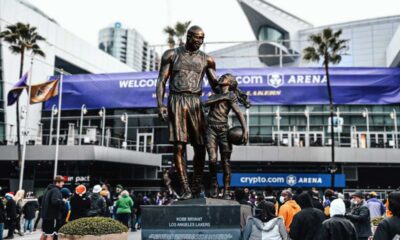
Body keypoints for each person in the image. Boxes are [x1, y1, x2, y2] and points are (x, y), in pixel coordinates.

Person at [156, 25, 250, 200]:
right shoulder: (171, 55)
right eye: (197, 38)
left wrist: (233, 91)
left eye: (202, 38)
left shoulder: (207, 60)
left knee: (200, 147)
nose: (200, 41)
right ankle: (185, 188)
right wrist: (160, 104)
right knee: (178, 146)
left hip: (195, 102)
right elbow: (162, 80)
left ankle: (196, 185)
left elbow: (216, 84)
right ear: (188, 37)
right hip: (177, 100)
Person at [204, 74, 248, 199]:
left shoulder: (231, 96)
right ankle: (214, 182)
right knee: (212, 159)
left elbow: (239, 113)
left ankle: (226, 190)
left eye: (226, 77)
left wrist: (245, 129)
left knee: (225, 162)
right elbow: (205, 103)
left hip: (224, 130)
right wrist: (223, 96)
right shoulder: (216, 95)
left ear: (230, 83)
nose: (222, 77)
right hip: (211, 129)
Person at [40, 175, 65, 240]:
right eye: (62, 182)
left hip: (45, 216)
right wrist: (63, 201)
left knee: (45, 233)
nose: (63, 184)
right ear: (57, 182)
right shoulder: (55, 190)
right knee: (51, 235)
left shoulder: (48, 189)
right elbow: (55, 202)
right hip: (53, 216)